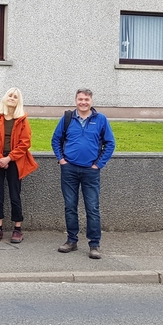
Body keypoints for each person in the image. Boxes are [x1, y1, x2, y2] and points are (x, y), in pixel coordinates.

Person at [51, 88, 116, 260]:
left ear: (91, 101)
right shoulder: (67, 118)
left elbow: (110, 144)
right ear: (76, 101)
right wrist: (61, 160)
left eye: (86, 99)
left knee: (92, 208)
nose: (83, 102)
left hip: (90, 171)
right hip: (69, 169)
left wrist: (98, 165)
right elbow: (55, 139)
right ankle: (71, 241)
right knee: (70, 206)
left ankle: (94, 244)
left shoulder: (100, 119)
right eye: (80, 99)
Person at [0, 87, 38, 244]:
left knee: (15, 194)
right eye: (10, 95)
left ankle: (17, 228)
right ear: (5, 98)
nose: (12, 98)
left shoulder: (22, 119)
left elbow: (25, 142)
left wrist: (9, 158)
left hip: (15, 162)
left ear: (18, 101)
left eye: (15, 96)